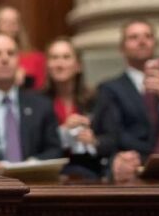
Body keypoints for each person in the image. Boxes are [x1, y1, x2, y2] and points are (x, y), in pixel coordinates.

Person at [97, 19, 159, 173]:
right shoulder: (110, 88)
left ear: (155, 43)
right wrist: (153, 157)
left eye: (147, 36)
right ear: (122, 48)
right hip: (135, 164)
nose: (142, 41)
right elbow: (114, 134)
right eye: (133, 37)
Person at [0, 34, 62, 172]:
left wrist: (34, 163)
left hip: (33, 184)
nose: (5, 59)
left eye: (11, 53)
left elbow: (54, 149)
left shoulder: (41, 105)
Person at [41, 37, 116, 178]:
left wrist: (94, 141)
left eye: (66, 57)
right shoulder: (36, 102)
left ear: (78, 65)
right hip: (50, 174)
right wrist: (63, 132)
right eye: (54, 58)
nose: (59, 63)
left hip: (90, 171)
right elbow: (32, 144)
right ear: (47, 65)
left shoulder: (97, 99)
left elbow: (112, 139)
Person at [0, 5, 46, 89]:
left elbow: (42, 88)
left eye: (14, 22)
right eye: (4, 21)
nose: (10, 25)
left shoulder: (36, 57)